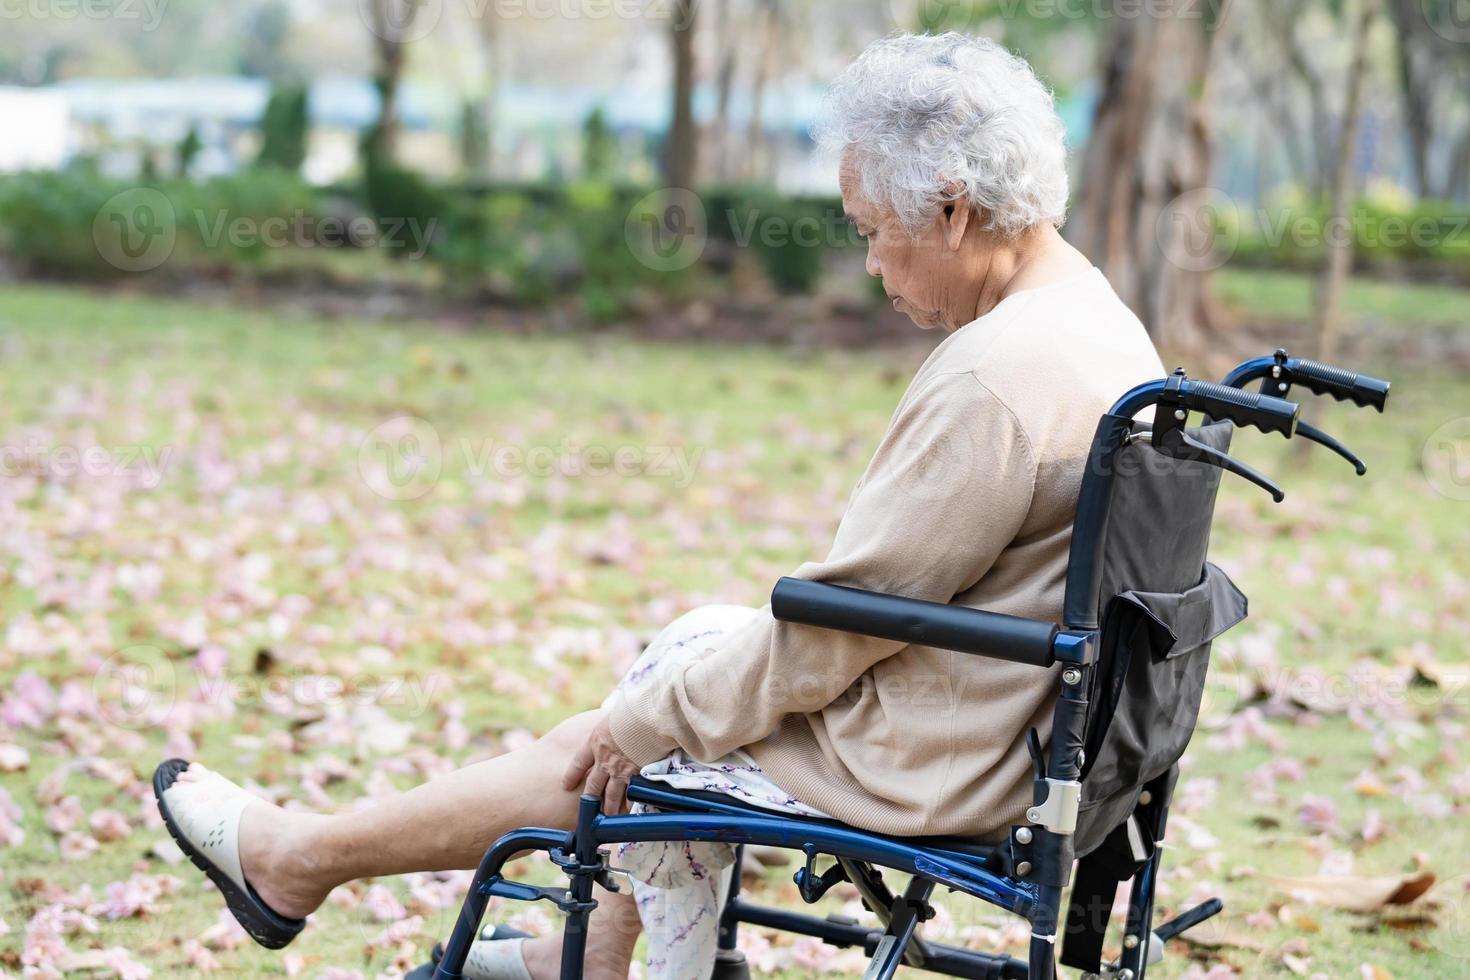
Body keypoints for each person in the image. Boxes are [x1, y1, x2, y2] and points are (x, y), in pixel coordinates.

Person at [153, 32, 1166, 980]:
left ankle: (298, 859)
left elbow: (838, 629)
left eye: (872, 232)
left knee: (617, 740)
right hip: (1020, 731)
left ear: (950, 210)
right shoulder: (1100, 324)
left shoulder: (995, 377)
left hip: (936, 760)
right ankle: (583, 951)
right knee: (682, 659)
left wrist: (645, 719)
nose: (868, 264)